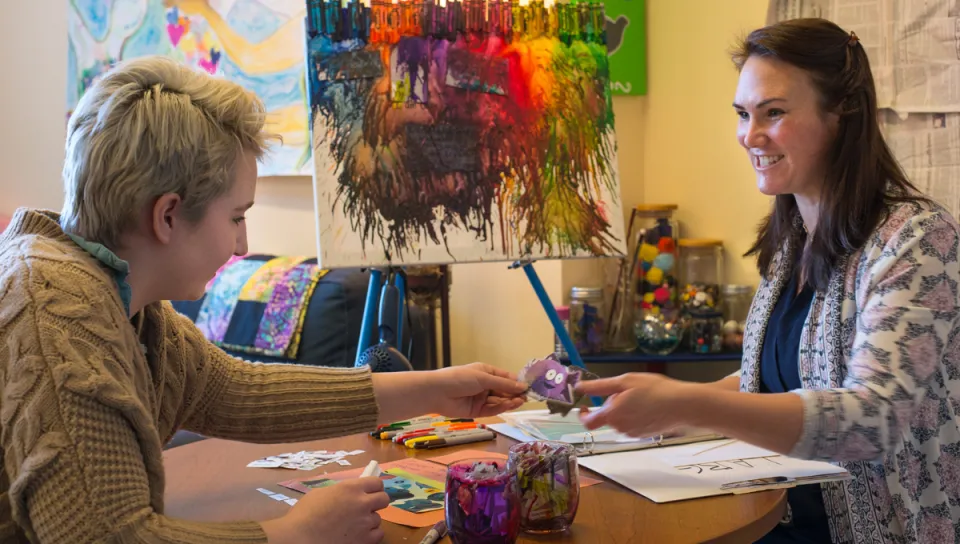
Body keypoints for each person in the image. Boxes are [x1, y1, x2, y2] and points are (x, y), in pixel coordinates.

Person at [0, 55, 529, 544]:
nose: (243, 245)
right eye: (236, 217)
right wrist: (294, 533)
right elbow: (106, 538)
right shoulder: (60, 316)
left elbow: (234, 391)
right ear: (166, 215)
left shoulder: (118, 295)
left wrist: (437, 389)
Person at [576, 18, 960, 544]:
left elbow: (874, 420)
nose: (749, 136)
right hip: (775, 519)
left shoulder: (919, 239)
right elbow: (767, 388)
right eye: (742, 114)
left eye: (773, 113)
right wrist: (655, 411)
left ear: (842, 114)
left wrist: (684, 402)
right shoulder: (791, 242)